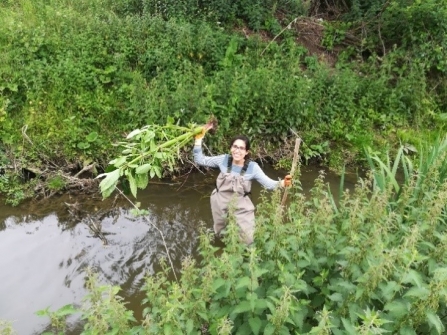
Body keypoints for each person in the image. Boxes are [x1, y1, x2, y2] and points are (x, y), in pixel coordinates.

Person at [193, 130, 292, 245]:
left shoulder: (252, 167)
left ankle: (247, 256)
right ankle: (223, 253)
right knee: (221, 233)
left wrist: (283, 183)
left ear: (246, 152)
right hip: (219, 201)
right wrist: (198, 140)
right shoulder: (223, 160)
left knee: (247, 238)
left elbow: (269, 184)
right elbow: (200, 160)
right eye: (235, 146)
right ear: (231, 148)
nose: (237, 150)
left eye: (241, 148)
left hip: (240, 205)